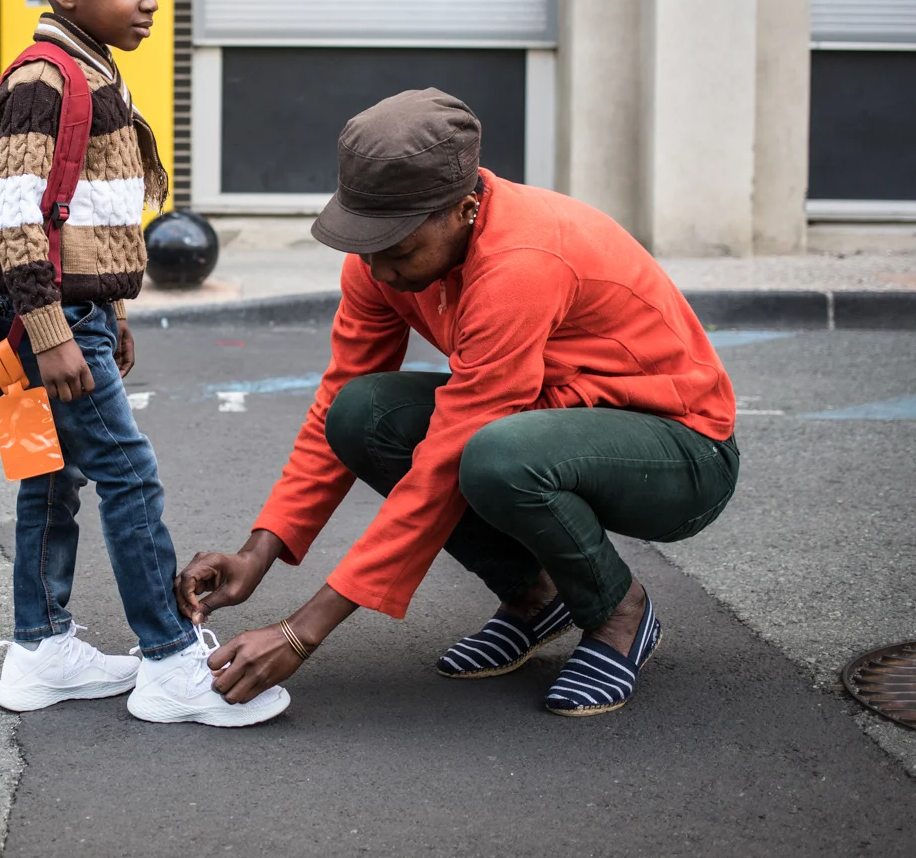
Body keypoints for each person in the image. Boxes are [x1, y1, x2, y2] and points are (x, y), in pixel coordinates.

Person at [177, 89, 740, 717]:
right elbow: (338, 397)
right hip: (551, 419)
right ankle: (535, 596)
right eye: (365, 246)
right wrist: (260, 550)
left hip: (681, 449)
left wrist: (300, 632)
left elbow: (449, 456)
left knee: (497, 455)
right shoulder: (376, 263)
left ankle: (618, 612)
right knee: (362, 414)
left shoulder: (520, 264)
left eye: (399, 250)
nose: (380, 271)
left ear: (466, 209)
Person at [0, 0, 287, 727]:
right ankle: (167, 661)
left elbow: (77, 218)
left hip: (71, 320)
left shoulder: (89, 68)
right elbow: (12, 218)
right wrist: (54, 332)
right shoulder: (45, 81)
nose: (149, 0)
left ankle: (40, 648)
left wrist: (111, 311)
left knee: (52, 479)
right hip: (48, 326)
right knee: (129, 478)